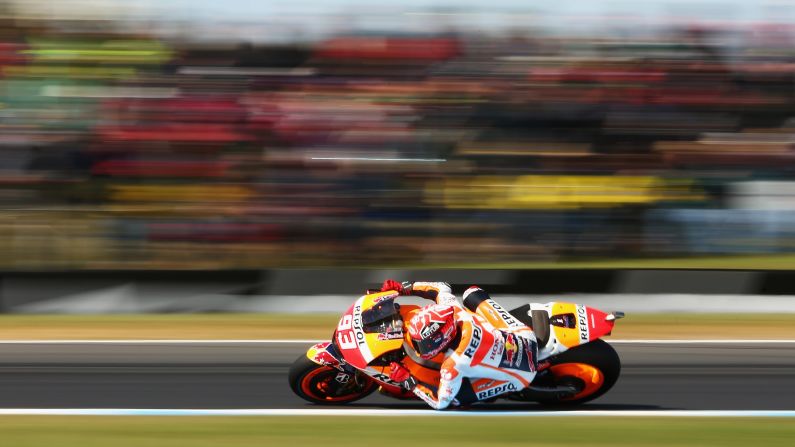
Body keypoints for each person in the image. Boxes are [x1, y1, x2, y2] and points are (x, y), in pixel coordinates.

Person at [379, 279, 538, 410]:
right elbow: (441, 287)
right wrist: (403, 288)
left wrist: (409, 381)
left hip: (523, 374)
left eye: (423, 344)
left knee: (455, 400)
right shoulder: (453, 309)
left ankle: (506, 386)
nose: (419, 348)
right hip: (523, 334)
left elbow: (440, 403)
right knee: (471, 293)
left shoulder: (452, 365)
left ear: (442, 337)